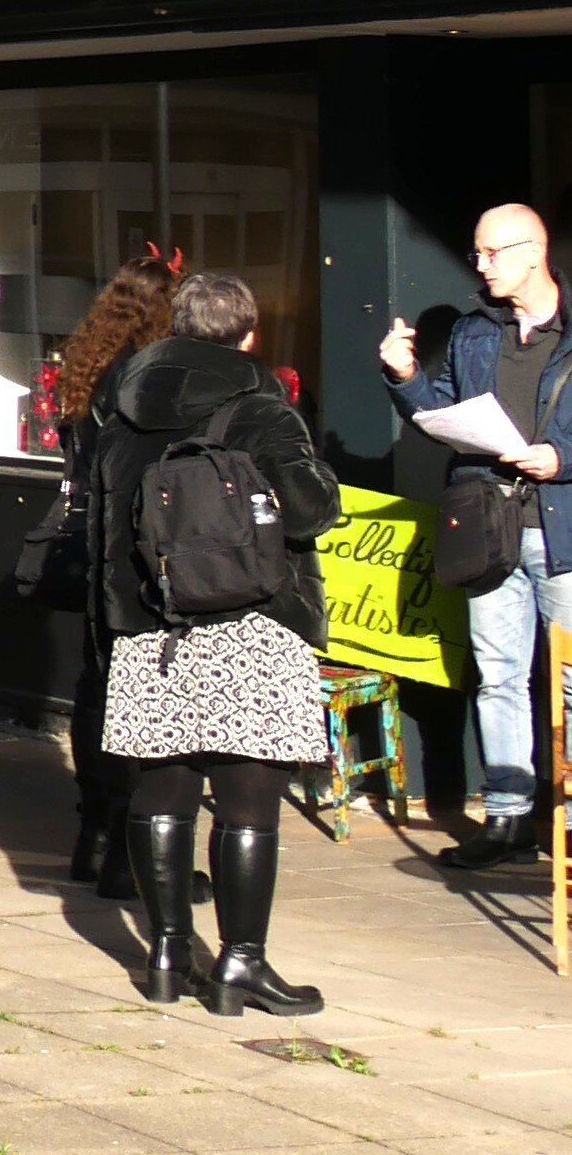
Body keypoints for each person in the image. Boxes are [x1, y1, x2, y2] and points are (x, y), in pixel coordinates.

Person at [94, 270, 341, 1012]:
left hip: (149, 623)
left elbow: (103, 533)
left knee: (160, 793)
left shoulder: (121, 409)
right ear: (249, 333)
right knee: (247, 802)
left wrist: (113, 629)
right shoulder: (263, 408)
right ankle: (240, 964)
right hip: (250, 619)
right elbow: (309, 512)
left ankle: (167, 954)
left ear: (174, 326)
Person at [382, 204, 572, 863]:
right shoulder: (474, 333)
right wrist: (405, 378)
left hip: (562, 533)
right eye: (477, 254)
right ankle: (508, 819)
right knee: (498, 677)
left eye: (492, 253)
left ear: (534, 252)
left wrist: (561, 460)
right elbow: (443, 412)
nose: (481, 266)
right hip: (491, 530)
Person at [39, 258, 177, 891]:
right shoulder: (143, 375)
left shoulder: (91, 366)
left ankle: (94, 835)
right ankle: (126, 849)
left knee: (97, 687)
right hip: (134, 546)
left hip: (94, 542)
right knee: (138, 693)